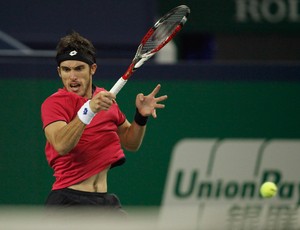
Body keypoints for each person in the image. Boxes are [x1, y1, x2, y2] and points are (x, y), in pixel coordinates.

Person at [41, 32, 167, 211]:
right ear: (59, 72)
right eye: (66, 70)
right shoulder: (53, 104)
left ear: (92, 69)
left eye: (79, 68)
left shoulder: (105, 99)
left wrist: (141, 116)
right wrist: (89, 110)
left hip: (104, 202)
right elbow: (61, 144)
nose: (72, 76)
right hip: (69, 202)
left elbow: (131, 142)